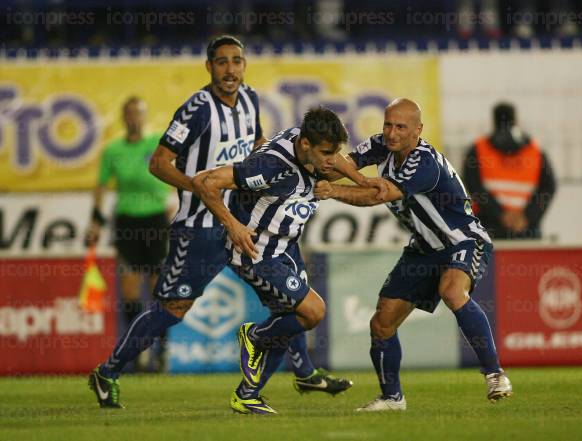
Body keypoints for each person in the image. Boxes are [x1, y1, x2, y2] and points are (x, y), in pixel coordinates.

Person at [88, 36, 352, 409]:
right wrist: (196, 187)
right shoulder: (196, 109)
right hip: (203, 226)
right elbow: (158, 163)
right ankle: (108, 371)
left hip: (246, 220)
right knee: (173, 309)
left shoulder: (250, 99)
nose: (230, 70)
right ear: (209, 67)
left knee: (290, 302)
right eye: (222, 62)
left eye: (237, 61)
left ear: (244, 66)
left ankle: (305, 373)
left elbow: (255, 142)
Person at [314, 98, 513, 412]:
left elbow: (377, 196)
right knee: (382, 322)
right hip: (423, 247)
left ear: (418, 130)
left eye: (400, 127)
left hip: (462, 241)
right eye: (388, 124)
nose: (391, 133)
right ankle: (392, 398)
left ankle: (495, 374)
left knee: (451, 290)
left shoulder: (424, 162)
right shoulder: (382, 145)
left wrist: (330, 191)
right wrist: (312, 171)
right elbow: (347, 163)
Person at [192, 106, 356, 414]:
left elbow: (336, 163)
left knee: (288, 322)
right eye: (326, 153)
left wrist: (358, 178)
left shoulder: (303, 142)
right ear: (306, 145)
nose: (331, 161)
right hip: (257, 254)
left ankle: (251, 393)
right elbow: (205, 182)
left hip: (285, 248)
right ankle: (253, 336)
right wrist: (232, 225)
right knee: (312, 312)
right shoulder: (270, 168)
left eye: (335, 152)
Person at [86, 96, 170, 372]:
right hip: (128, 224)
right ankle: (139, 353)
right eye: (130, 113)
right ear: (124, 117)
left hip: (157, 221)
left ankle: (161, 352)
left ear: (145, 116)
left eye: (139, 112)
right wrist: (96, 221)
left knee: (160, 291)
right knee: (131, 292)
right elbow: (101, 187)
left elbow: (177, 174)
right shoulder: (113, 150)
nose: (134, 117)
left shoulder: (158, 143)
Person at [462, 102, 556, 240]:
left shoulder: (478, 150)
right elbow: (549, 187)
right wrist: (528, 216)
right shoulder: (535, 151)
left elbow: (473, 186)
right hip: (526, 231)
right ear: (516, 120)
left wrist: (501, 215)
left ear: (493, 120)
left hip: (490, 230)